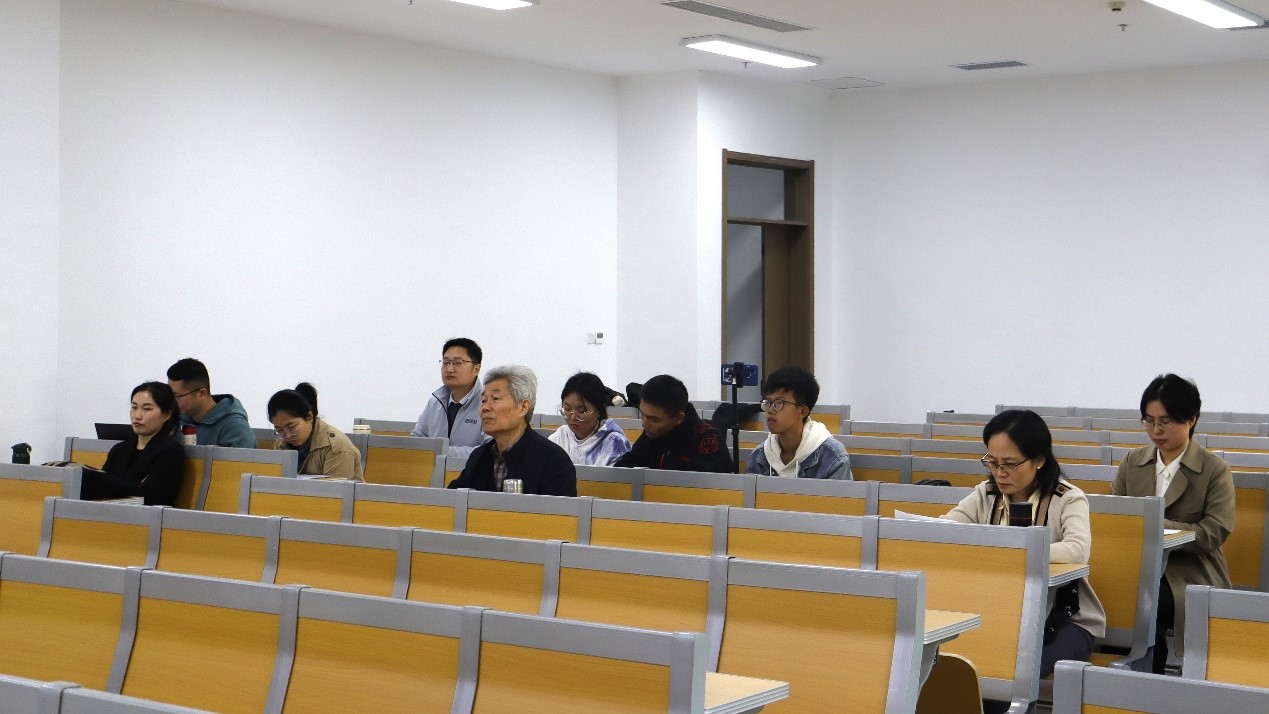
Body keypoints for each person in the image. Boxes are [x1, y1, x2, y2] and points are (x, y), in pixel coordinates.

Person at [942, 409, 1105, 686]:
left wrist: (1018, 550)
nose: (999, 473)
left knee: (1012, 669)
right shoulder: (985, 494)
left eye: (1010, 464)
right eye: (992, 462)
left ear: (1039, 460)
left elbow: (1078, 549)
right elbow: (947, 529)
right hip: (999, 613)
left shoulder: (1067, 498)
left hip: (1064, 620)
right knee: (965, 665)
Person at [1112, 374, 1234, 674]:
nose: (1156, 430)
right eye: (1149, 421)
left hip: (1190, 571)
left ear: (1191, 419)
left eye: (1165, 422)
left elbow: (1214, 531)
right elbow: (1114, 517)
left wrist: (1157, 525)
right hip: (1138, 566)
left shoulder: (1214, 470)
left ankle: (1147, 681)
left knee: (1146, 603)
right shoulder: (1132, 462)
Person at [448, 365, 576, 495]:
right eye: (483, 400)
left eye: (495, 398)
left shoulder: (554, 461)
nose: (485, 408)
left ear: (523, 407)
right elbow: (452, 500)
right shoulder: (479, 457)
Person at [82, 382, 186, 506]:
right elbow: (102, 488)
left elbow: (152, 497)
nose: (137, 416)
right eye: (134, 407)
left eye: (147, 409)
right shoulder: (119, 449)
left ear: (166, 415)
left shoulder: (170, 451)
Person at [746, 367, 851, 479]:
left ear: (802, 411)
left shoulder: (832, 458)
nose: (770, 410)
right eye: (767, 402)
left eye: (779, 403)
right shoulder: (759, 457)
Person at [614, 374, 734, 473]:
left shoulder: (708, 439)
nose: (644, 423)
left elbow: (702, 488)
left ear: (679, 418)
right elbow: (625, 468)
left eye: (654, 419)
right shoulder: (653, 432)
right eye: (642, 413)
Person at [267, 382, 364, 482]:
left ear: (309, 417)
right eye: (279, 430)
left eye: (291, 427)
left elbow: (335, 490)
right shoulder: (281, 444)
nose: (287, 435)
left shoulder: (336, 447)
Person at [411, 338, 490, 457]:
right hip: (431, 468)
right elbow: (416, 439)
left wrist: (441, 452)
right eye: (446, 362)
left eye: (458, 363)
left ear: (476, 369)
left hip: (472, 469)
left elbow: (489, 450)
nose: (449, 369)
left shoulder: (487, 404)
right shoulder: (435, 402)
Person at [166, 357, 255, 448]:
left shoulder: (234, 427)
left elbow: (243, 456)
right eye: (170, 395)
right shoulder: (174, 420)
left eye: (177, 396)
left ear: (201, 393)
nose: (172, 401)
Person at [549, 372, 632, 466]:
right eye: (567, 409)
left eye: (581, 410)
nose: (573, 417)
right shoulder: (560, 437)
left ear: (599, 410)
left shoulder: (615, 444)